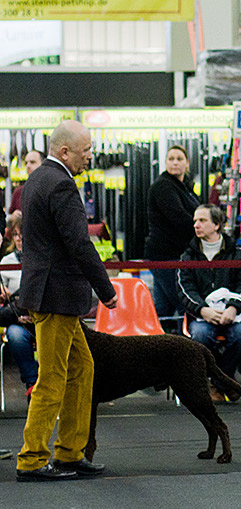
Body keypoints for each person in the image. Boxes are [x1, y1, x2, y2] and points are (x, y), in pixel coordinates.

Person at [16, 120, 118, 482]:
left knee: (81, 368)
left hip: (50, 293)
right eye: (85, 150)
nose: (90, 156)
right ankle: (32, 458)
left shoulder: (36, 179)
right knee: (53, 378)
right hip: (56, 295)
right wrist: (106, 290)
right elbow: (79, 243)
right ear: (64, 151)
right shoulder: (61, 184)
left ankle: (70, 453)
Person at [177, 204, 241, 398]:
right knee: (200, 337)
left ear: (217, 225)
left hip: (236, 314)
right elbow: (184, 290)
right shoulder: (187, 257)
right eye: (195, 221)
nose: (196, 225)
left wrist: (234, 308)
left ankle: (221, 382)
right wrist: (202, 310)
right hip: (202, 315)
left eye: (202, 220)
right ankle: (224, 382)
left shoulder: (239, 254)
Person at [143, 145, 200, 332]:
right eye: (171, 159)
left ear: (187, 163)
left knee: (164, 308)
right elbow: (179, 218)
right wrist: (203, 229)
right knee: (184, 304)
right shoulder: (163, 186)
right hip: (166, 256)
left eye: (179, 159)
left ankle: (159, 345)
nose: (175, 162)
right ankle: (179, 346)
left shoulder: (185, 186)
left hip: (172, 256)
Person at [0, 212, 38, 400]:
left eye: (22, 234)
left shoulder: (40, 259)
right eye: (15, 235)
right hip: (17, 317)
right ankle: (32, 383)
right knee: (15, 334)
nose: (19, 238)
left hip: (40, 317)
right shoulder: (6, 261)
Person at [8, 149, 43, 217]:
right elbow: (10, 216)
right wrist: (14, 216)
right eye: (26, 163)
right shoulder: (18, 191)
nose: (28, 166)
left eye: (32, 162)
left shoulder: (50, 189)